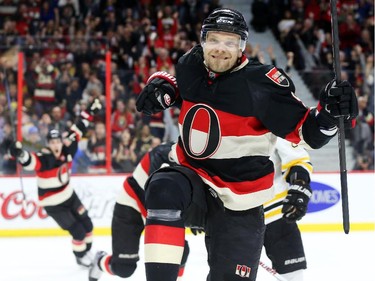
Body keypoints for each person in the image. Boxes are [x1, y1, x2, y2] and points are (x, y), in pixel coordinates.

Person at [135, 8, 358, 281]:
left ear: (242, 46)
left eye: (230, 42)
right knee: (163, 185)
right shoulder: (190, 63)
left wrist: (330, 114)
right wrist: (163, 86)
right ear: (202, 40)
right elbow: (182, 86)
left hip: (241, 200)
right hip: (194, 182)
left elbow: (308, 134)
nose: (220, 49)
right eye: (214, 39)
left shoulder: (262, 83)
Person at [9, 99, 102, 267]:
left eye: (57, 141)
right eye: (52, 143)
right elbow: (30, 161)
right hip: (53, 204)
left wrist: (90, 111)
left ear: (61, 141)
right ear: (48, 144)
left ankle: (86, 251)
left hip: (69, 196)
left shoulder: (67, 148)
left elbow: (78, 128)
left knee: (88, 225)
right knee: (78, 231)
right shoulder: (45, 158)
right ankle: (80, 257)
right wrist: (19, 153)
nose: (56, 145)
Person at [88, 142, 190, 281]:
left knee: (181, 252)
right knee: (124, 268)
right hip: (131, 205)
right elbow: (159, 154)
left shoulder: (204, 157)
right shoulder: (171, 150)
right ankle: (100, 260)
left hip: (154, 212)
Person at [264, 137, 313, 281]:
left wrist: (300, 182)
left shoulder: (271, 118)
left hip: (278, 213)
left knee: (293, 274)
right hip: (232, 215)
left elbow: (297, 158)